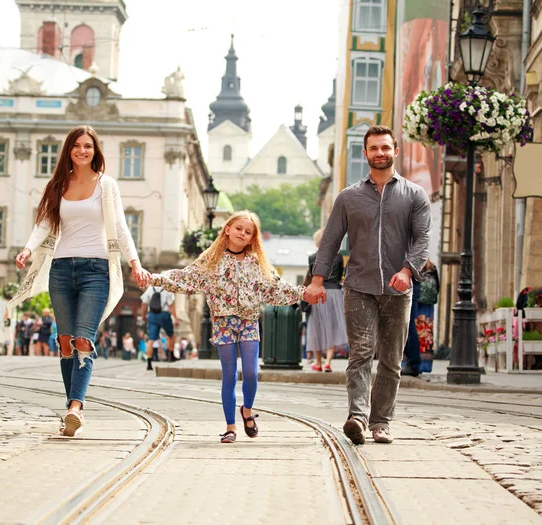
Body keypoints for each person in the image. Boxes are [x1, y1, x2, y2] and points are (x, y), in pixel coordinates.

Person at [8, 125, 151, 437]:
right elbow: (45, 222)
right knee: (64, 342)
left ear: (95, 150)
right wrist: (28, 249)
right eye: (76, 146)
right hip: (61, 269)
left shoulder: (106, 185)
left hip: (96, 270)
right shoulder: (58, 184)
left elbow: (121, 227)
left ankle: (75, 407)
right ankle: (72, 406)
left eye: (88, 146)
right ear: (68, 151)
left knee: (83, 340)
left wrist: (135, 264)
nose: (82, 151)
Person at [304, 125, 431, 445]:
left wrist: (407, 271)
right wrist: (317, 281)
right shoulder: (348, 197)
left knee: (391, 360)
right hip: (358, 287)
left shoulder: (415, 195)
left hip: (399, 290)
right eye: (374, 149)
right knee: (360, 354)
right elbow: (331, 241)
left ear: (395, 151)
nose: (380, 153)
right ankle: (357, 418)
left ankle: (381, 422)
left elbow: (423, 238)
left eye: (385, 148)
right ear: (365, 154)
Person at [150, 210, 307, 443]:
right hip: (223, 322)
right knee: (230, 375)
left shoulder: (257, 263)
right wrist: (156, 278)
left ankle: (247, 411)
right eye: (239, 229)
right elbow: (185, 277)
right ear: (227, 229)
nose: (242, 234)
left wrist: (303, 293)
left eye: (248, 232)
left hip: (249, 322)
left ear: (253, 238)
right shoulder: (211, 260)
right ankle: (230, 427)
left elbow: (276, 287)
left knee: (252, 373)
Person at [307, 228, 347, 373]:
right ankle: (328, 362)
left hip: (319, 293)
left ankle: (318, 363)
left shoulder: (312, 257)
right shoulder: (338, 257)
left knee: (317, 328)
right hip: (335, 294)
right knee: (333, 327)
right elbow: (339, 276)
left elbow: (312, 277)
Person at [402, 259, 439, 376]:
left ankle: (413, 362)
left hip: (418, 298)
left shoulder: (420, 265)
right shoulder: (431, 268)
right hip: (426, 306)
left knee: (409, 326)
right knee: (422, 334)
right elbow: (437, 287)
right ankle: (417, 363)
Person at [140, 285, 179, 370]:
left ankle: (149, 363)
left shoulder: (150, 288)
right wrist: (175, 318)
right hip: (164, 315)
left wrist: (143, 316)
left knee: (151, 340)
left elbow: (143, 304)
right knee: (170, 335)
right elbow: (171, 306)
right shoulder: (168, 289)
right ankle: (171, 356)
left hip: (152, 315)